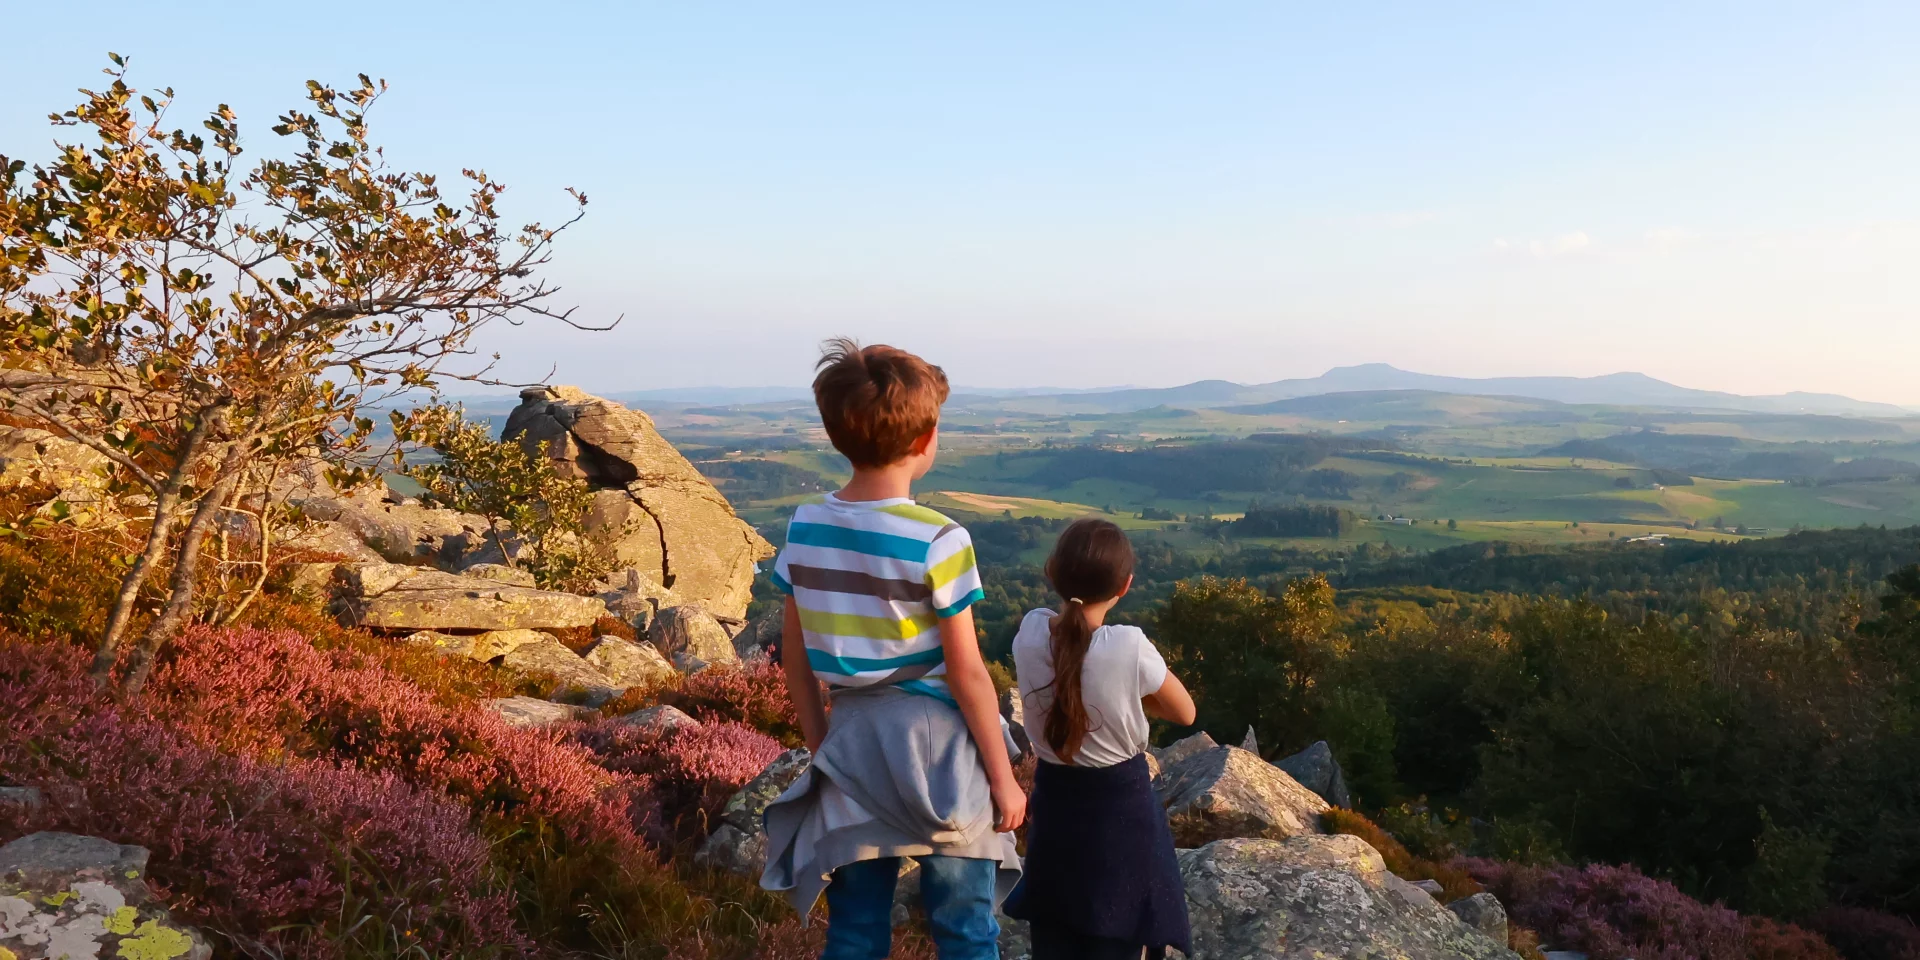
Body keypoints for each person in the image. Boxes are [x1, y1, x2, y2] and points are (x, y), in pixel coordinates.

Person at [761, 338, 1025, 960]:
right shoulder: (940, 538)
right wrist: (1004, 779)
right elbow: (968, 675)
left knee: (854, 929)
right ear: (925, 438)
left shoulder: (804, 527)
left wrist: (823, 747)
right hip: (942, 755)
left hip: (851, 742)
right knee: (965, 930)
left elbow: (795, 661)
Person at [1002, 519, 1195, 960]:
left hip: (1055, 810)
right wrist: (1128, 699)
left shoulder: (1031, 633)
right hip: (1120, 813)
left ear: (1052, 571)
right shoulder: (1128, 646)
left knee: (1056, 930)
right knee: (1118, 936)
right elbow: (1186, 712)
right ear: (1125, 586)